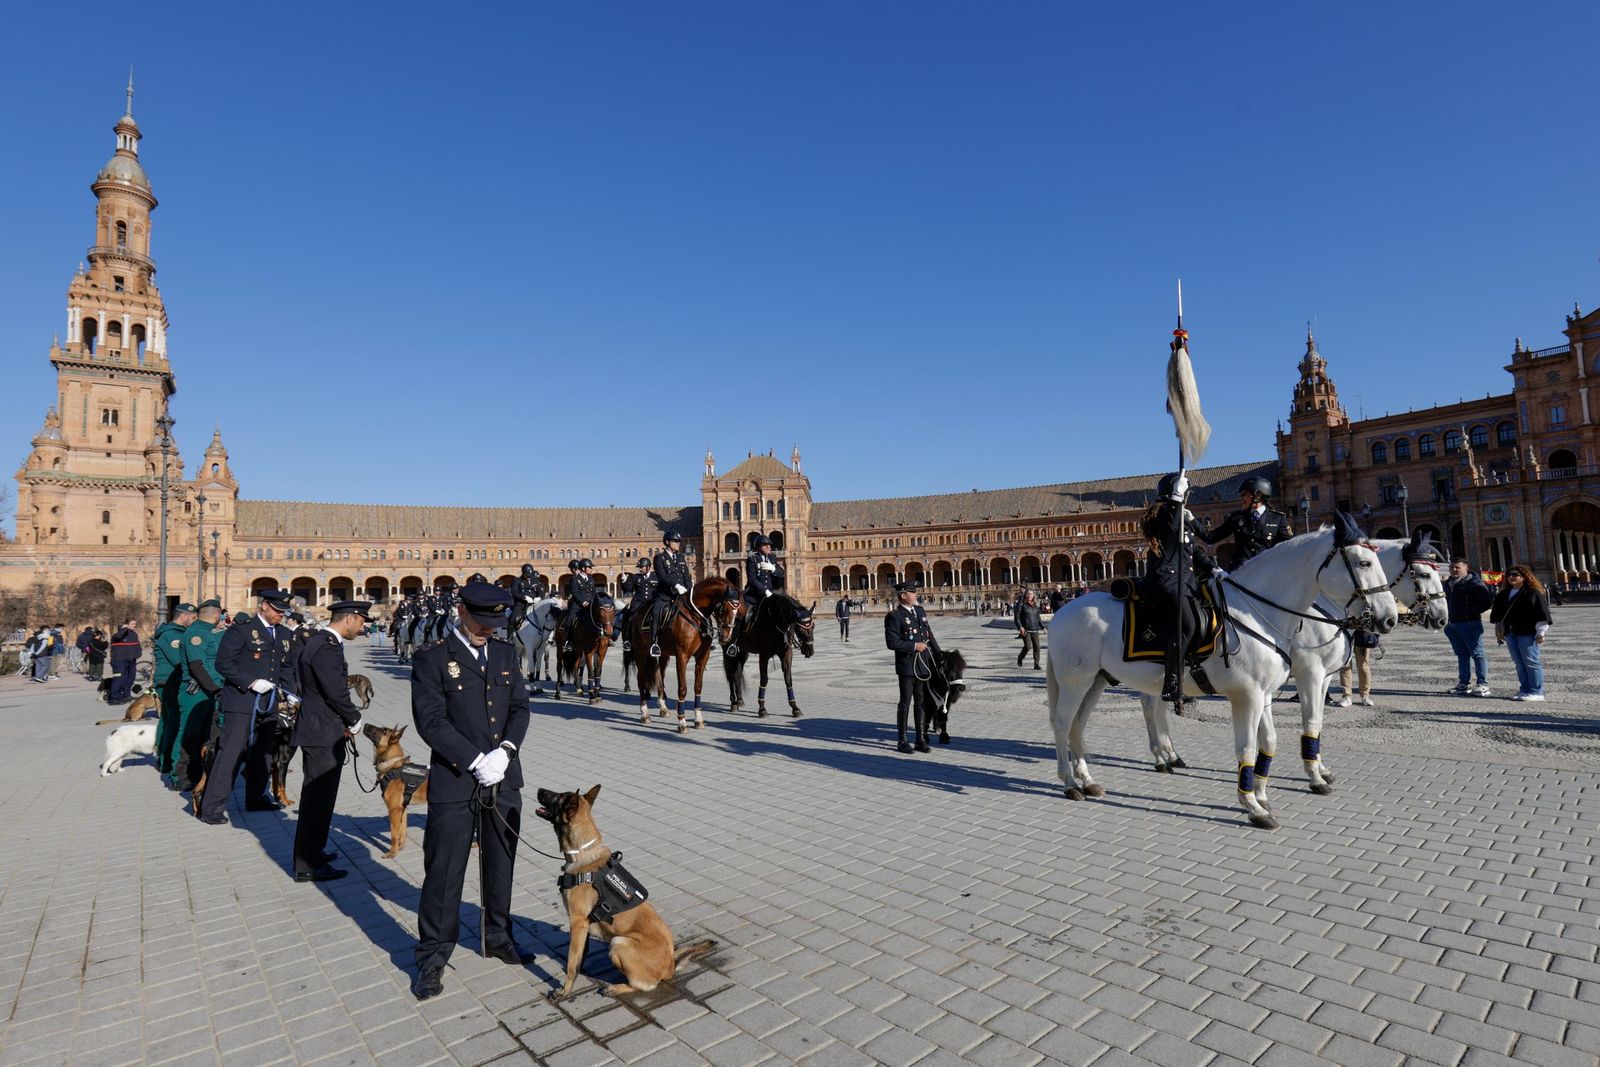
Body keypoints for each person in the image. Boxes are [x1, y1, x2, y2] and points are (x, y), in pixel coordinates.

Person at [411, 581, 532, 1001]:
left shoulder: (504, 653)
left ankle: (498, 935)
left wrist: (506, 752)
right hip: (456, 778)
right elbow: (430, 722)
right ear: (462, 612)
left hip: (503, 776)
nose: (490, 630)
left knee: (502, 862)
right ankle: (432, 953)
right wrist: (476, 760)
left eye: (495, 622)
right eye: (483, 622)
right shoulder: (432, 659)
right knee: (444, 870)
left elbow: (519, 707)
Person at [199, 590, 298, 824]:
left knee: (263, 753)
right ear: (263, 606)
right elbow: (224, 663)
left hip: (269, 702)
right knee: (231, 753)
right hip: (242, 700)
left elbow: (286, 666)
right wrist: (251, 681)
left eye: (283, 612)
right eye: (276, 610)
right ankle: (211, 807)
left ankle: (256, 797)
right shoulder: (241, 630)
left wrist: (290, 692)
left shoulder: (284, 634)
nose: (280, 615)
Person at [291, 600, 371, 883]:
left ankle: (314, 850)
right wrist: (353, 718)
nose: (362, 628)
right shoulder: (326, 645)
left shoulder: (321, 642)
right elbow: (335, 691)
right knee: (317, 798)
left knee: (321, 798)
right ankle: (307, 863)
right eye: (361, 622)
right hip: (321, 729)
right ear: (349, 619)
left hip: (322, 726)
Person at [1140, 472, 1213, 703]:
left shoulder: (1180, 514)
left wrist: (1215, 569)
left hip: (1185, 582)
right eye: (1185, 493)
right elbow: (1171, 526)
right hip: (1166, 581)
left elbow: (1192, 551)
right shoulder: (1163, 514)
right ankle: (1172, 683)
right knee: (1187, 625)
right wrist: (1176, 499)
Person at [884, 579, 943, 754]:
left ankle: (920, 738)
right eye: (912, 592)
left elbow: (928, 633)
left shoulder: (919, 610)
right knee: (905, 701)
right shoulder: (894, 616)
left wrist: (939, 654)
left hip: (923, 664)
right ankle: (902, 740)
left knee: (921, 702)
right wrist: (913, 646)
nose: (916, 594)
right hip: (908, 664)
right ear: (903, 595)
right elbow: (892, 642)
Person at [174, 601, 225, 791]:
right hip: (197, 691)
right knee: (190, 734)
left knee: (206, 736)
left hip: (210, 690)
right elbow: (197, 666)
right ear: (216, 614)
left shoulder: (207, 632)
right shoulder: (196, 633)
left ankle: (199, 774)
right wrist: (215, 689)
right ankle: (181, 776)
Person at [1491, 565, 1553, 702]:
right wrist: (1499, 631)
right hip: (1510, 632)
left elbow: (1541, 613)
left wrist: (1541, 632)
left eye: (1515, 574)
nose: (1511, 577)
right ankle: (1524, 689)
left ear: (1524, 577)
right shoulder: (1503, 594)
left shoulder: (1532, 593)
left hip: (1527, 632)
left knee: (1531, 662)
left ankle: (1537, 691)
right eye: (1509, 575)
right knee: (1519, 662)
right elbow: (1498, 614)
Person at [1199, 475, 1293, 564]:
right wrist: (1191, 520)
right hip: (1240, 572)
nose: (1241, 497)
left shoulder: (1278, 518)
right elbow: (1210, 537)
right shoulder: (1236, 517)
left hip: (1266, 571)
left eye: (1244, 494)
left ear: (1258, 496)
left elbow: (1290, 546)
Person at [153, 603, 198, 778]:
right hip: (169, 681)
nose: (193, 622)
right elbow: (179, 660)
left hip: (169, 680)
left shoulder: (173, 632)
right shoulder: (171, 635)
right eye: (192, 618)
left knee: (167, 720)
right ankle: (169, 762)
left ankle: (163, 759)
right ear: (183, 616)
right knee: (174, 721)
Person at [1443, 556, 1495, 696]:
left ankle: (1483, 684)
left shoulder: (1474, 583)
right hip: (1453, 624)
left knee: (1478, 654)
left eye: (1457, 567)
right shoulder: (1449, 583)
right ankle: (1464, 684)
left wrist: (1468, 613)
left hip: (1470, 623)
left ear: (1466, 568)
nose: (1453, 570)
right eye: (1451, 567)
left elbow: (1486, 602)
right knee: (1462, 655)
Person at [651, 530, 694, 629]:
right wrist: (676, 585)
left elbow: (686, 578)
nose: (678, 543)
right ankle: (654, 642)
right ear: (667, 542)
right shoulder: (659, 558)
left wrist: (690, 590)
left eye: (679, 541)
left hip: (682, 595)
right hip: (666, 595)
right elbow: (662, 577)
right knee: (656, 612)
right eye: (675, 541)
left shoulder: (681, 558)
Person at [742, 535, 786, 630]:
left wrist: (773, 568)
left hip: (772, 593)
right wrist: (765, 591)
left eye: (769, 545)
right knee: (743, 617)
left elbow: (781, 574)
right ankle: (736, 640)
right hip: (755, 595)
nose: (769, 547)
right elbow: (752, 580)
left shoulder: (772, 558)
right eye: (765, 545)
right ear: (758, 547)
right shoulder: (752, 559)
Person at [614, 557, 654, 643]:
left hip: (652, 603)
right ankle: (627, 640)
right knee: (628, 617)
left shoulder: (656, 576)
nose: (640, 569)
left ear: (648, 567)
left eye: (641, 567)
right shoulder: (635, 577)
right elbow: (628, 589)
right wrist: (624, 581)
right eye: (639, 567)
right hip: (638, 603)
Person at [1335, 628, 1378, 707]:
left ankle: (1365, 695)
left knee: (1364, 667)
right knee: (1345, 665)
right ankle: (1347, 696)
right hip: (1346, 631)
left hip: (1362, 631)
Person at [107, 618, 142, 703]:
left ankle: (126, 695)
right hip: (119, 660)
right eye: (132, 624)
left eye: (135, 624)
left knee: (131, 678)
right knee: (119, 678)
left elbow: (137, 645)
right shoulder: (118, 634)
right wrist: (124, 628)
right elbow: (118, 636)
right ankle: (114, 697)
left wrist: (138, 653)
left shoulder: (133, 634)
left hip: (131, 660)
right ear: (126, 625)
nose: (134, 626)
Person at [561, 559, 597, 633]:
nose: (591, 569)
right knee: (569, 621)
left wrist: (594, 602)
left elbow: (593, 592)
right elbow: (575, 593)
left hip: (591, 604)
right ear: (583, 568)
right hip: (578, 605)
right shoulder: (574, 579)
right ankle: (569, 640)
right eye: (589, 567)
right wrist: (583, 603)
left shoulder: (591, 578)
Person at [1014, 589, 1044, 670]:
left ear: (1033, 595)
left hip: (1035, 629)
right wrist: (1020, 627)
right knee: (1027, 647)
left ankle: (1036, 664)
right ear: (1025, 595)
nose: (1029, 596)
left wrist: (1043, 627)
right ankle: (1020, 657)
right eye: (1028, 594)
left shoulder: (1035, 605)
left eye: (1031, 594)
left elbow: (1038, 617)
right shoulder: (1021, 604)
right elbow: (1017, 617)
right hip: (1026, 629)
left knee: (1037, 647)